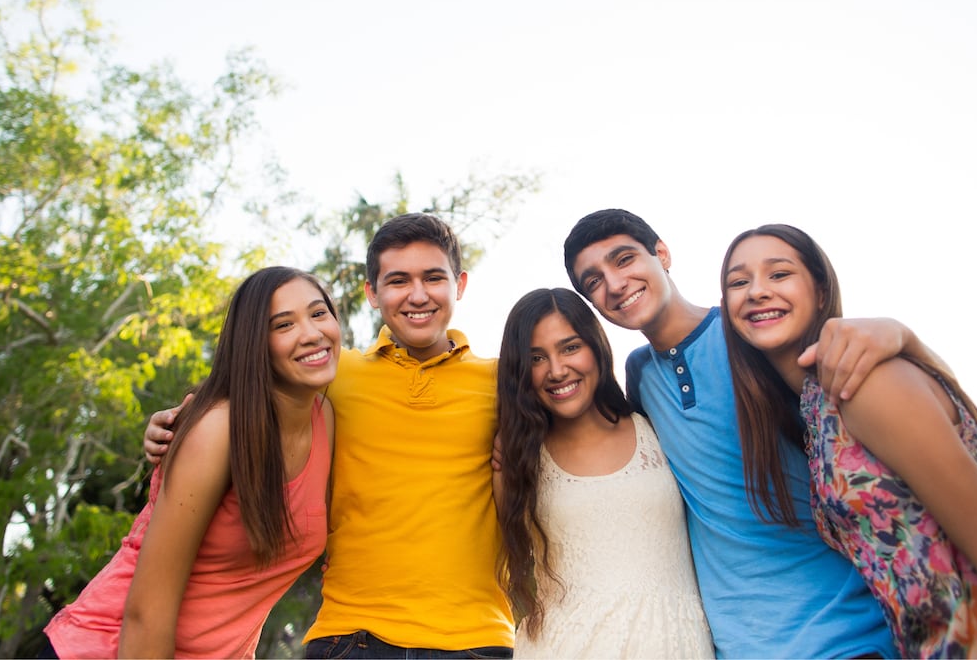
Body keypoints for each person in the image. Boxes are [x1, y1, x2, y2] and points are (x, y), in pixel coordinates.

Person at [562, 208, 928, 658]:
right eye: (593, 281)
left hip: (843, 636)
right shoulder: (639, 373)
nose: (614, 284)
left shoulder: (756, 333)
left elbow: (887, 404)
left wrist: (902, 336)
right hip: (736, 646)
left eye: (623, 260)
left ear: (662, 253)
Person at [145, 213, 514, 658]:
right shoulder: (334, 377)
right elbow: (247, 391)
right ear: (372, 294)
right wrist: (171, 420)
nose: (418, 295)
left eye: (433, 278)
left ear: (460, 285)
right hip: (350, 636)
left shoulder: (504, 383)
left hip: (475, 640)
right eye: (397, 281)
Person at [719, 223, 977, 658]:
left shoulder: (866, 384)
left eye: (779, 274)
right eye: (739, 282)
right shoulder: (813, 411)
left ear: (819, 289)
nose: (756, 291)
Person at [43, 266, 339, 658]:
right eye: (284, 325)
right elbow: (147, 611)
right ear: (255, 344)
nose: (311, 333)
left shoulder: (326, 418)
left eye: (319, 314)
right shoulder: (219, 430)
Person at [494, 287, 713, 658]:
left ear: (596, 346)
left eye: (570, 347)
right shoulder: (517, 460)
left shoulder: (654, 424)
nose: (557, 369)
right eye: (536, 357)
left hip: (678, 644)